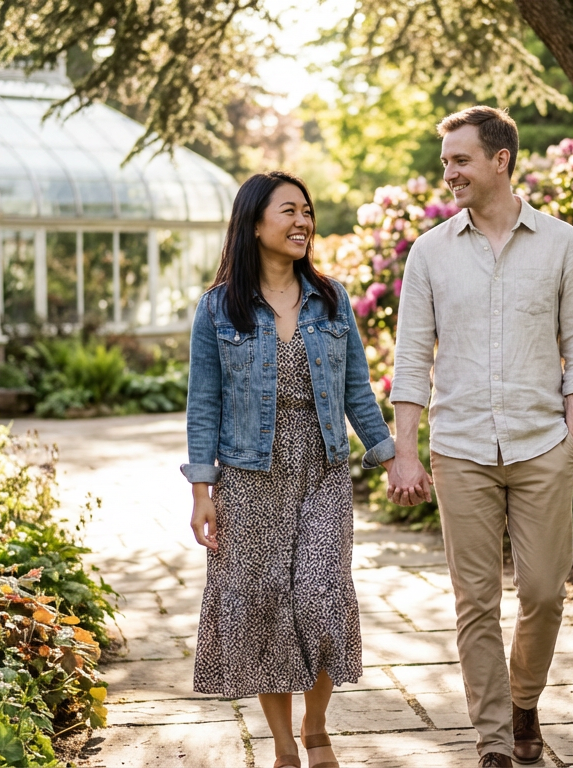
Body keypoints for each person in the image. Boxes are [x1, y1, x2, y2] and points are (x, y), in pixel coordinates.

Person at [387, 106, 573, 767]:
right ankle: (494, 741)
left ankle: (523, 699)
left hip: (541, 447)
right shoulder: (429, 253)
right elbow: (410, 358)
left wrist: (569, 443)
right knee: (475, 602)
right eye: (445, 161)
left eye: (460, 160)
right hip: (462, 450)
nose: (448, 172)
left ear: (500, 160)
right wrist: (405, 451)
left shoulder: (561, 244)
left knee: (544, 592)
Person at [182, 171, 397, 768]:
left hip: (321, 465)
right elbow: (203, 404)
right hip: (248, 475)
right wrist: (202, 491)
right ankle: (283, 744)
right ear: (254, 224)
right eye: (289, 211)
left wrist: (391, 457)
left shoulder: (330, 299)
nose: (303, 221)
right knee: (262, 604)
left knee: (323, 594)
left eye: (307, 211)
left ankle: (316, 725)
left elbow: (357, 390)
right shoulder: (218, 308)